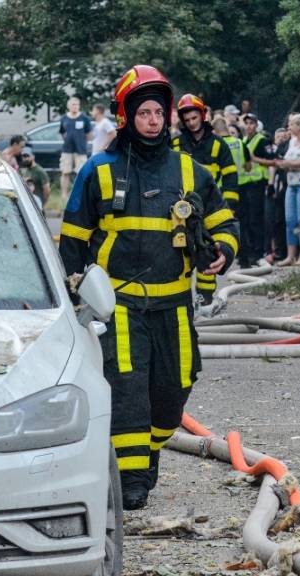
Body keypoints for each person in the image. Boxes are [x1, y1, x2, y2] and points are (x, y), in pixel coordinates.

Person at [59, 65, 239, 511]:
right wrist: (72, 296)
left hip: (174, 304)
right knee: (127, 390)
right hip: (117, 306)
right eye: (144, 113)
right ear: (127, 117)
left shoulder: (191, 172)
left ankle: (149, 451)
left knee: (173, 389)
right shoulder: (99, 171)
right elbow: (73, 241)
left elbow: (225, 223)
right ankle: (131, 478)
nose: (154, 120)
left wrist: (223, 250)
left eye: (159, 112)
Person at [172, 93, 240, 308]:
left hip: (210, 209)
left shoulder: (219, 145)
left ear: (203, 116)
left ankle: (205, 299)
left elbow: (230, 178)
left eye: (194, 118)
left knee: (208, 252)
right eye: (187, 120)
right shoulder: (175, 144)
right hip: (179, 210)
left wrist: (230, 209)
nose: (192, 123)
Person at [275, 114, 300, 266]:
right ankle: (290, 255)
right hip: (290, 184)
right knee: (290, 220)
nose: (289, 127)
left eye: (291, 124)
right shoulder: (291, 141)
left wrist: (290, 163)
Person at [239, 113, 270, 267]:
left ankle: (258, 252)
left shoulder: (262, 141)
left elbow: (272, 161)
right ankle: (250, 252)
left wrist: (254, 159)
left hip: (258, 183)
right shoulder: (243, 141)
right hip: (245, 184)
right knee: (247, 219)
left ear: (256, 125)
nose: (249, 126)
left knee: (256, 220)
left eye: (252, 123)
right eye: (247, 123)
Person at [265, 126, 290, 263]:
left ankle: (280, 251)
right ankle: (273, 250)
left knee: (281, 220)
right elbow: (273, 166)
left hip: (285, 185)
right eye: (278, 137)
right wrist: (270, 184)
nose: (281, 139)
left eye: (283, 136)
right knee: (272, 220)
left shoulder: (287, 148)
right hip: (275, 186)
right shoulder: (272, 150)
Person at [59, 96, 93, 197]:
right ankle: (64, 196)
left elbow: (89, 134)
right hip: (67, 150)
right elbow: (62, 132)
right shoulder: (64, 118)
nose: (75, 106)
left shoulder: (84, 118)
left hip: (81, 150)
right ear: (68, 106)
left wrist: (81, 142)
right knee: (65, 173)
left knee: (81, 173)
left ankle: (79, 194)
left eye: (77, 104)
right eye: (73, 104)